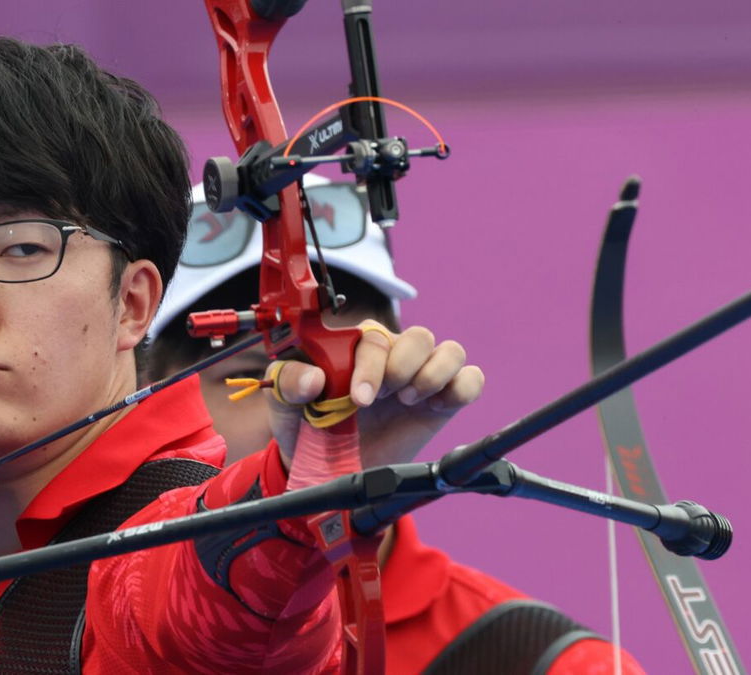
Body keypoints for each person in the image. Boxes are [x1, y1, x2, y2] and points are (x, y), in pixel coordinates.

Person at [0, 38, 626, 673]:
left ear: (133, 300)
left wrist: (304, 484)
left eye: (20, 250)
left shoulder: (161, 536)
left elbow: (195, 602)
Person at [146, 176, 645, 673]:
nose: (304, 412)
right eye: (252, 377)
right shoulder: (92, 628)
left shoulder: (535, 662)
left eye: (341, 368)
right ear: (150, 392)